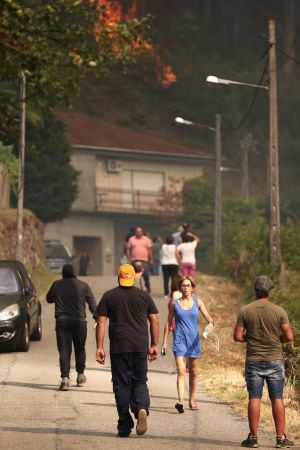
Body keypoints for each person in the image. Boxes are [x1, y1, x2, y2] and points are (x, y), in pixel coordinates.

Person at [95, 263, 159, 438]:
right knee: (139, 381)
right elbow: (154, 320)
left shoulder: (109, 296)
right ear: (134, 277)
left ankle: (124, 425)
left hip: (119, 346)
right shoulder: (144, 296)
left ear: (118, 277)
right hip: (140, 346)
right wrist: (154, 344)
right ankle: (142, 408)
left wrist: (99, 347)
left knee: (121, 384)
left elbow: (100, 322)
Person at [233, 275, 294, 449]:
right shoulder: (279, 311)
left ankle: (253, 438)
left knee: (254, 397)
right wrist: (276, 339)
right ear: (270, 290)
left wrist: (251, 338)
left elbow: (237, 337)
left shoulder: (245, 310)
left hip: (254, 360)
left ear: (255, 290)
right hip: (275, 359)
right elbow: (289, 337)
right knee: (277, 398)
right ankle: (281, 438)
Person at [161, 276, 214, 412]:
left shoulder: (198, 302)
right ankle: (180, 401)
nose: (185, 288)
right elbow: (168, 322)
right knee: (181, 370)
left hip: (194, 341)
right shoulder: (175, 304)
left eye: (188, 285)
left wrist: (210, 325)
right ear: (180, 288)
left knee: (194, 372)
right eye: (183, 285)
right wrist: (164, 342)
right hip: (179, 339)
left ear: (192, 288)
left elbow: (209, 318)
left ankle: (192, 399)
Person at [46, 263, 97, 391]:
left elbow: (48, 299)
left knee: (64, 350)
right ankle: (80, 375)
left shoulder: (56, 284)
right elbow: (93, 305)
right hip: (79, 321)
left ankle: (65, 379)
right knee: (80, 348)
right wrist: (97, 317)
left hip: (62, 321)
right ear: (75, 272)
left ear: (63, 272)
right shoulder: (83, 286)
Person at [126, 226, 153, 293]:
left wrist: (151, 259)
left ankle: (147, 285)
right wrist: (128, 259)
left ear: (142, 232)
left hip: (144, 260)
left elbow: (149, 250)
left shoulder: (146, 239)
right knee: (132, 275)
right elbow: (128, 249)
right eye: (137, 231)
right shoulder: (131, 239)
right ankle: (131, 288)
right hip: (134, 260)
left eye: (140, 231)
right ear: (135, 232)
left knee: (146, 275)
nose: (139, 233)